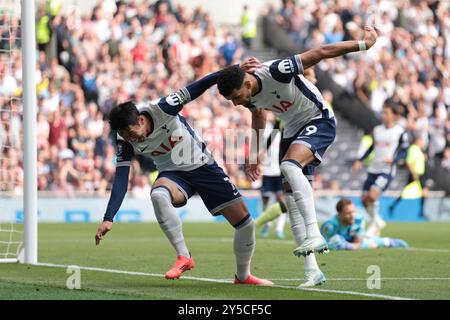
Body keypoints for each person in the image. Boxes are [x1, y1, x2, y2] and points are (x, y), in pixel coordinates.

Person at [216, 26, 378, 287]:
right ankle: (312, 270)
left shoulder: (277, 71)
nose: (236, 103)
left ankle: (314, 233)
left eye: (236, 97)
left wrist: (363, 44)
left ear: (247, 82)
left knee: (290, 167)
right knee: (291, 203)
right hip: (292, 131)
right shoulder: (248, 96)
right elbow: (258, 116)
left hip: (318, 119)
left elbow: (322, 51)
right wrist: (256, 153)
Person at [94, 61, 273, 286]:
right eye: (124, 135)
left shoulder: (163, 108)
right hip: (173, 174)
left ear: (140, 119)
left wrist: (235, 69)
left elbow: (203, 83)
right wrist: (108, 218)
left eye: (131, 132)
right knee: (158, 195)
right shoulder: (125, 140)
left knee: (246, 224)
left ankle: (243, 276)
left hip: (203, 167)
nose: (131, 138)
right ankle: (184, 256)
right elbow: (121, 179)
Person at [352, 100, 409, 236]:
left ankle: (374, 225)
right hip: (373, 168)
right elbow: (372, 147)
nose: (383, 115)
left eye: (386, 113)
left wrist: (394, 160)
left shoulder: (400, 132)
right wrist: (360, 160)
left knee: (372, 195)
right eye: (383, 112)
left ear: (394, 116)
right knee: (364, 199)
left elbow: (405, 152)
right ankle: (377, 221)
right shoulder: (377, 130)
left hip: (386, 170)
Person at [321, 198, 408, 250]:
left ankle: (389, 242)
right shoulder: (330, 226)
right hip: (341, 243)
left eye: (353, 212)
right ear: (339, 213)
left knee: (377, 242)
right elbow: (321, 246)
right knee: (336, 240)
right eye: (348, 213)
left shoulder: (358, 219)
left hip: (352, 242)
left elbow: (359, 240)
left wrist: (351, 246)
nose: (352, 216)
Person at [255, 117, 288, 239]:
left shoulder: (285, 132)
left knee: (281, 200)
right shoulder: (267, 130)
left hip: (280, 171)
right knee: (266, 199)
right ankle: (267, 224)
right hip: (267, 171)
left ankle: (279, 228)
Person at [389, 135, 428, 218]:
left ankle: (421, 211)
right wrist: (413, 173)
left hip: (420, 174)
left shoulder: (419, 150)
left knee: (424, 192)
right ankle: (393, 205)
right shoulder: (413, 149)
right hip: (416, 174)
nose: (422, 143)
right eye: (421, 141)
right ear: (417, 141)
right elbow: (409, 162)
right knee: (407, 192)